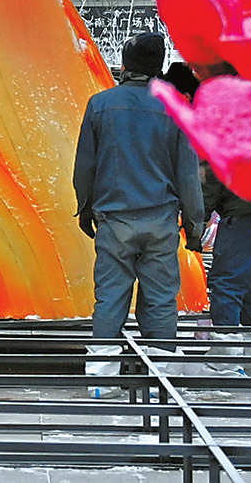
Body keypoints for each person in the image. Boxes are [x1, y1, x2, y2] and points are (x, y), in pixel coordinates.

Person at [72, 32, 207, 342]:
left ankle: (103, 365)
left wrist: (85, 209)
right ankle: (160, 362)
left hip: (114, 221)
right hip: (160, 223)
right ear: (158, 67)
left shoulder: (100, 105)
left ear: (125, 65)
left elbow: (85, 166)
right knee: (160, 301)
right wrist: (194, 227)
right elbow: (188, 176)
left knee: (110, 297)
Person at [203, 162, 251, 373]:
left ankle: (225, 365)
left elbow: (210, 176)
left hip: (242, 208)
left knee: (226, 285)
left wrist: (198, 220)